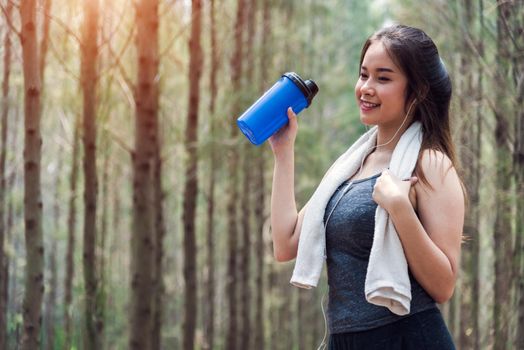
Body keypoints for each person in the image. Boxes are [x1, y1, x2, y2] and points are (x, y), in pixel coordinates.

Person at [268, 24, 465, 350]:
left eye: (383, 78)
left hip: (406, 337)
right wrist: (283, 152)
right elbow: (286, 243)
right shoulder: (351, 166)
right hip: (345, 340)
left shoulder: (429, 163)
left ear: (418, 91)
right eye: (364, 75)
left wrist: (401, 210)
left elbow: (444, 285)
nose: (366, 88)